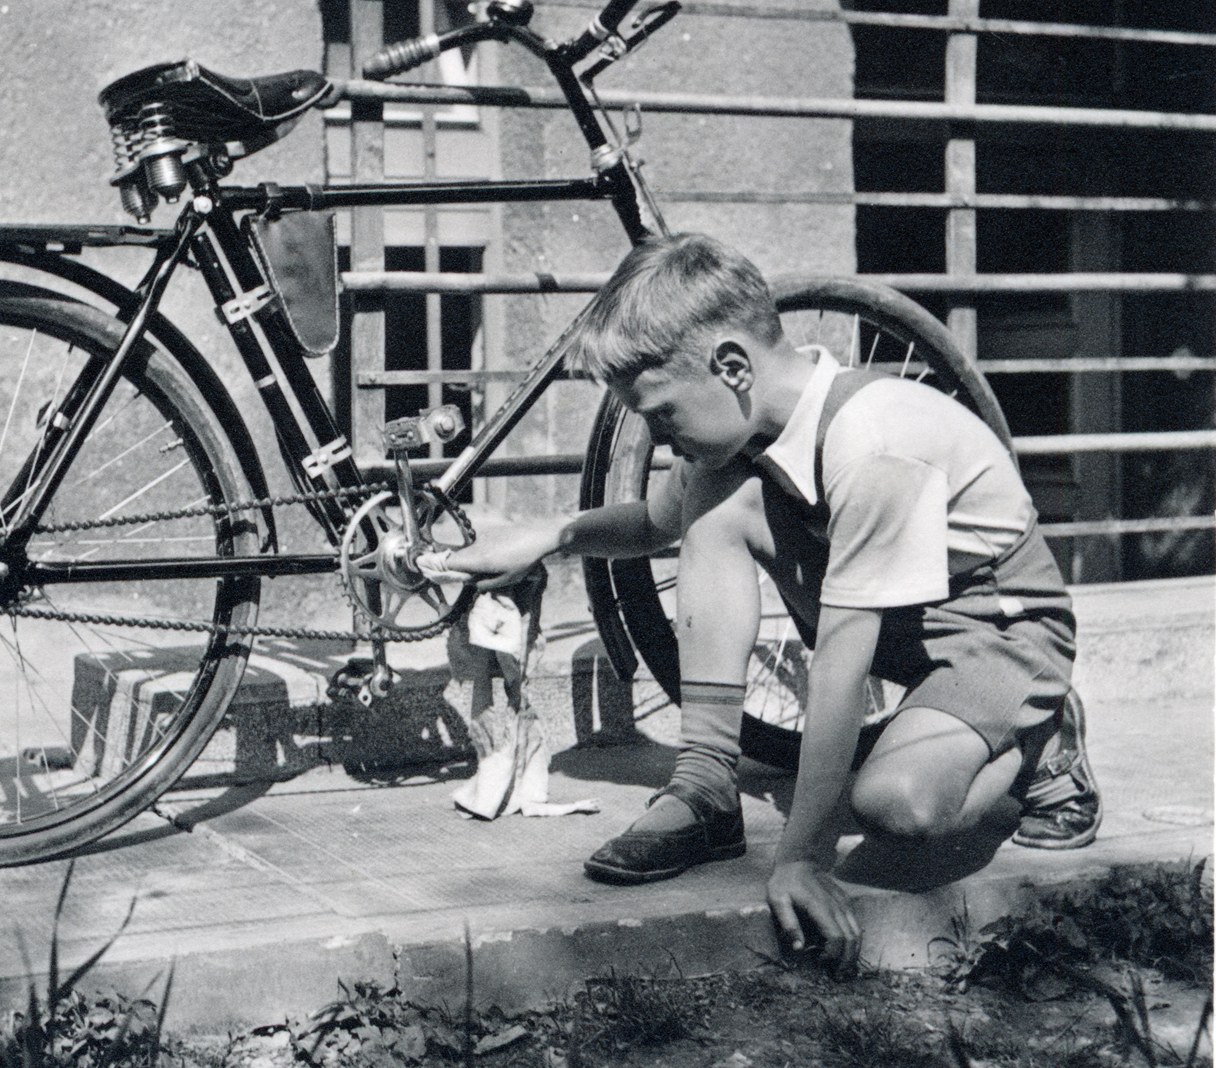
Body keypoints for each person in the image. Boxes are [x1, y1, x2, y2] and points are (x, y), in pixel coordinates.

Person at [442, 231, 1101, 971]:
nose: (660, 437)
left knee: (895, 805)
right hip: (904, 618)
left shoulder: (873, 441)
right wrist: (544, 536)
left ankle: (1042, 738)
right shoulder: (750, 433)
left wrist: (800, 856)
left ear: (731, 366)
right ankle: (706, 783)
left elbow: (841, 669)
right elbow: (657, 524)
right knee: (713, 504)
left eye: (660, 414)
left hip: (998, 630)